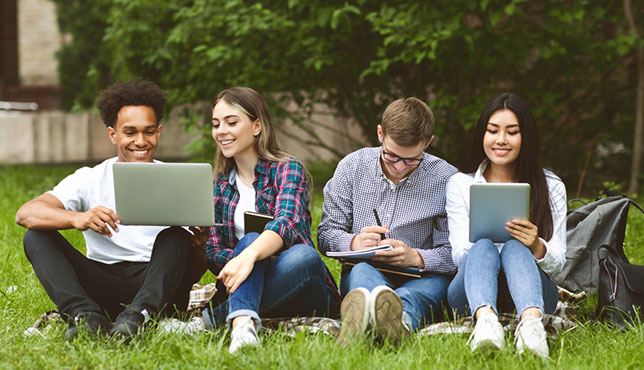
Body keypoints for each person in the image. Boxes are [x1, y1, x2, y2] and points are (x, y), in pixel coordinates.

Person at [15, 78, 205, 341]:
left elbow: (188, 271)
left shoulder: (179, 180)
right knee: (36, 236)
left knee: (175, 237)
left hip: (157, 287)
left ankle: (139, 317)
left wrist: (200, 246)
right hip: (102, 280)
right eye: (130, 132)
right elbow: (26, 213)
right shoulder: (90, 177)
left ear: (159, 132)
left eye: (149, 131)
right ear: (113, 134)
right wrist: (78, 218)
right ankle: (84, 316)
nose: (141, 141)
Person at [201, 86, 341, 353]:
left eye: (231, 122)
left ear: (256, 126)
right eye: (216, 124)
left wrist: (251, 256)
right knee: (251, 242)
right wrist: (252, 264)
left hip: (300, 283)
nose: (221, 131)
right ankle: (243, 326)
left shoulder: (288, 169)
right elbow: (213, 250)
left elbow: (287, 223)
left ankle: (211, 321)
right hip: (251, 285)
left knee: (305, 256)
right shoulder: (218, 185)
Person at [317, 97, 457, 345]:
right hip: (367, 267)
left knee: (431, 288)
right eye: (392, 156)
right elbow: (326, 234)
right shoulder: (352, 167)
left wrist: (415, 257)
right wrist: (355, 243)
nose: (400, 167)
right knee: (361, 272)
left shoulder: (447, 179)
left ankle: (380, 323)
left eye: (412, 159)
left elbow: (455, 253)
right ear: (380, 133)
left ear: (429, 142)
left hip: (422, 276)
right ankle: (384, 322)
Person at [445, 92, 566, 358]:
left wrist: (535, 245)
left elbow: (559, 262)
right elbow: (457, 256)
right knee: (485, 245)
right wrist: (482, 240)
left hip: (530, 291)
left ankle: (532, 329)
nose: (501, 140)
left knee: (514, 247)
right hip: (470, 292)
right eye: (492, 131)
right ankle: (487, 324)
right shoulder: (461, 184)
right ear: (482, 135)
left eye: (512, 132)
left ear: (526, 138)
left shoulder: (552, 187)